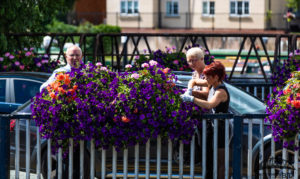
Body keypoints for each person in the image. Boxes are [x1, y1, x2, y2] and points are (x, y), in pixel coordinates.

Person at [181, 61, 230, 179]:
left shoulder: (220, 91)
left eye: (208, 76)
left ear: (216, 77)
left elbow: (209, 105)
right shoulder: (211, 84)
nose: (205, 78)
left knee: (220, 162)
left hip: (221, 128)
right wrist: (189, 89)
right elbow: (193, 81)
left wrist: (192, 99)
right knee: (208, 159)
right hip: (212, 127)